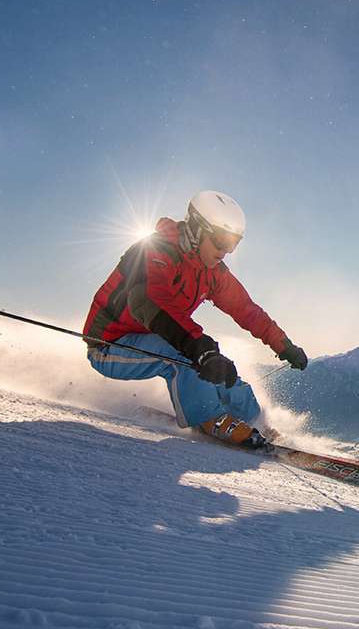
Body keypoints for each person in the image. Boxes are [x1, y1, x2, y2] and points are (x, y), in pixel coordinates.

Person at [82, 190, 308, 446]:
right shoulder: (154, 251)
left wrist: (284, 345)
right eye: (221, 241)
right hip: (110, 345)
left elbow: (247, 310)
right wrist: (201, 349)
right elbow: (149, 304)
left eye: (233, 243)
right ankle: (209, 419)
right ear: (197, 230)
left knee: (223, 369)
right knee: (189, 357)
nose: (225, 251)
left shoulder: (212, 271)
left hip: (158, 339)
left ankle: (257, 423)